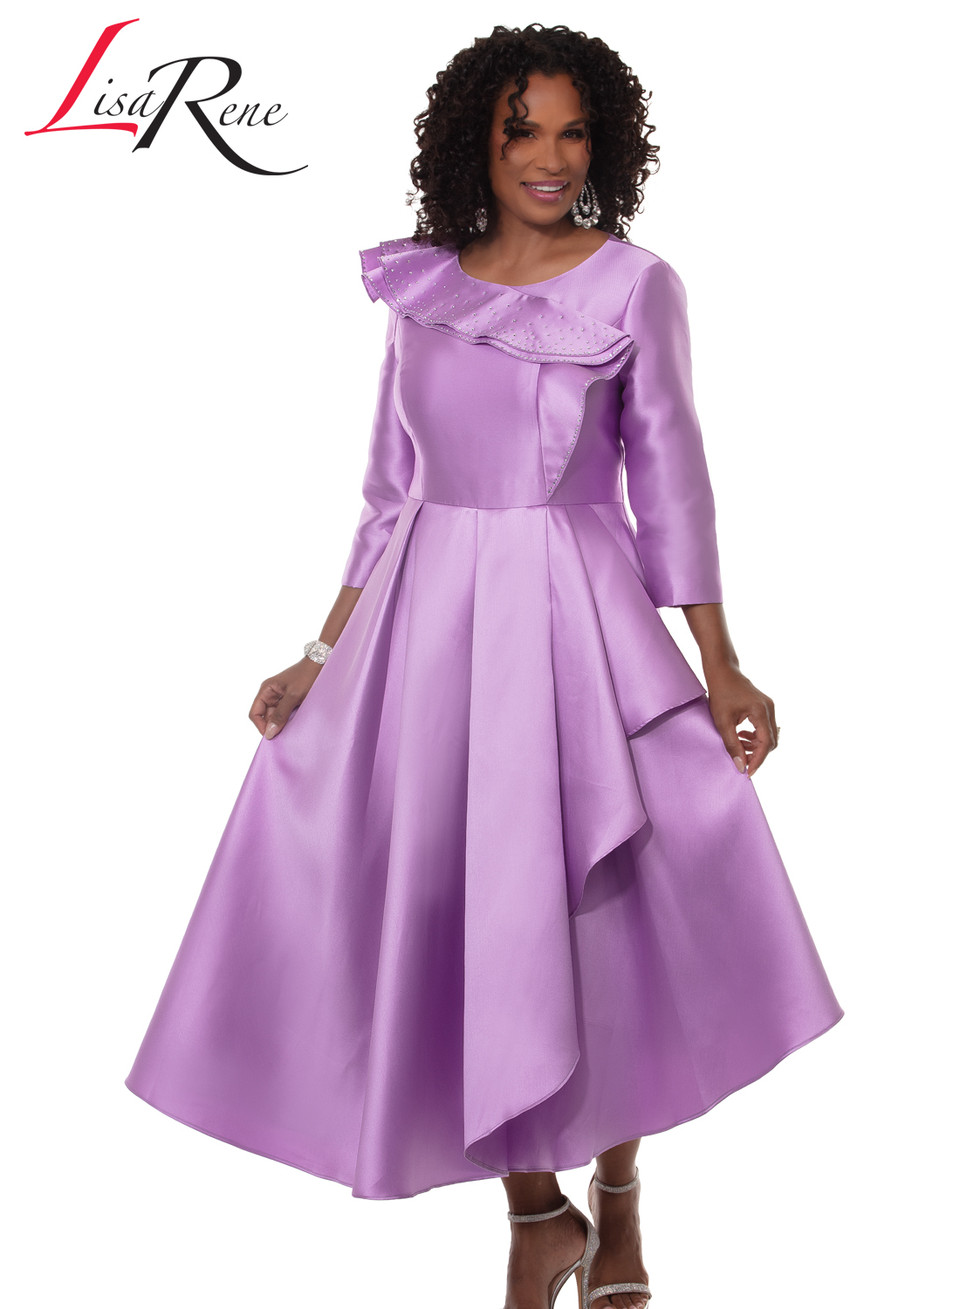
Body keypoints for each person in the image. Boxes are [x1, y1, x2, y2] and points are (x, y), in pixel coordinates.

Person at [125, 23, 844, 1309]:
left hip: (577, 619)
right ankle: (536, 1213)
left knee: (600, 916)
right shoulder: (422, 292)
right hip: (433, 631)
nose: (550, 159)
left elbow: (673, 480)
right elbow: (386, 492)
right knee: (475, 911)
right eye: (523, 132)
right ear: (478, 141)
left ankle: (617, 1196)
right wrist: (318, 651)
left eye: (574, 133)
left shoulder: (634, 286)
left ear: (606, 145)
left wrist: (723, 661)